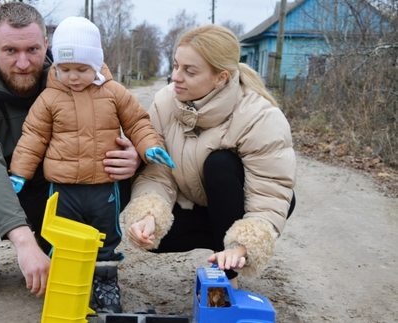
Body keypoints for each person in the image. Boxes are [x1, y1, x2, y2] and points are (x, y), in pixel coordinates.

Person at [0, 2, 141, 299]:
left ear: (47, 45)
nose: (23, 63)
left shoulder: (77, 78)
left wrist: (134, 154)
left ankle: (84, 255)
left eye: (32, 50)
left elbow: (129, 121)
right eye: (10, 51)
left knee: (124, 168)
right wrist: (23, 243)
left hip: (59, 190)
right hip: (4, 190)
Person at [7, 16, 174, 313]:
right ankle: (66, 281)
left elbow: (137, 122)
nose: (73, 77)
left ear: (96, 64)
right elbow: (32, 137)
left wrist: (150, 148)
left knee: (106, 237)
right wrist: (19, 173)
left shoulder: (114, 93)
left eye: (81, 69)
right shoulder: (49, 98)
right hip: (63, 188)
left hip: (103, 186)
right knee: (63, 235)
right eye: (65, 69)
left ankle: (106, 282)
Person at [121, 24, 297, 289]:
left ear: (221, 77)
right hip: (198, 207)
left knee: (219, 163)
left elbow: (269, 194)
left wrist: (243, 246)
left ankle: (229, 277)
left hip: (245, 206)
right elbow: (158, 171)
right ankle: (219, 243)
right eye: (176, 66)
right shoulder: (165, 102)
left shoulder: (261, 116)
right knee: (158, 235)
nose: (175, 77)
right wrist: (149, 215)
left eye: (189, 71)